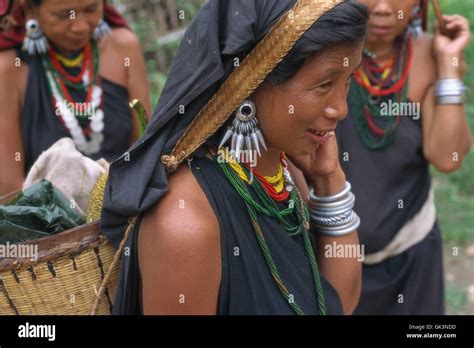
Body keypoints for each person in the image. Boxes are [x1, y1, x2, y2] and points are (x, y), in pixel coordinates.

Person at [100, 0, 369, 315]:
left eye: (347, 81)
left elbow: (339, 305)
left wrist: (330, 182)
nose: (341, 108)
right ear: (250, 82)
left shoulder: (282, 179)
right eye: (325, 84)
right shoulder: (186, 225)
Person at [336, 0, 472, 314]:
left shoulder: (427, 57)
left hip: (412, 258)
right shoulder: (324, 56)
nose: (383, 8)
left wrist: (449, 63)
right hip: (329, 259)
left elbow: (448, 157)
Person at [0, 0, 151, 195]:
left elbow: (146, 150)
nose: (80, 26)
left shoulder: (123, 47)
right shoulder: (10, 69)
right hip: (50, 220)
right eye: (64, 15)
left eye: (91, 9)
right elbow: (9, 188)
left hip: (131, 206)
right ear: (30, 10)